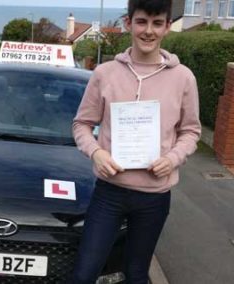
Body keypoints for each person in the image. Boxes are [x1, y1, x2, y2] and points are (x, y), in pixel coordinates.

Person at [71, 0, 201, 283]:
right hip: (109, 193)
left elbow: (191, 131)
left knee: (137, 274)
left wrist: (172, 159)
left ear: (167, 27)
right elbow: (81, 124)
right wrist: (95, 153)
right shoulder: (105, 74)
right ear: (128, 23)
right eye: (142, 22)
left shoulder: (183, 78)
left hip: (154, 197)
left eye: (157, 23)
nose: (148, 31)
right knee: (84, 273)